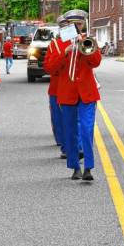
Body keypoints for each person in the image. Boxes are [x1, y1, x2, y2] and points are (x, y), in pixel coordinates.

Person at [47, 9, 101, 181]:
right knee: (70, 132)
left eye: (79, 24)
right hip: (67, 93)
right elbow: (49, 68)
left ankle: (89, 168)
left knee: (86, 129)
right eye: (73, 24)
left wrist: (86, 48)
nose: (77, 27)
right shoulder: (56, 44)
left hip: (87, 93)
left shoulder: (89, 40)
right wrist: (66, 51)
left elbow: (96, 62)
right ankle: (75, 167)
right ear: (67, 25)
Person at [44, 15, 69, 157]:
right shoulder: (54, 44)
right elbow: (48, 67)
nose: (66, 29)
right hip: (57, 87)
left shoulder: (81, 41)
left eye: (69, 26)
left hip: (74, 87)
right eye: (63, 26)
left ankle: (71, 145)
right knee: (58, 117)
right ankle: (63, 142)